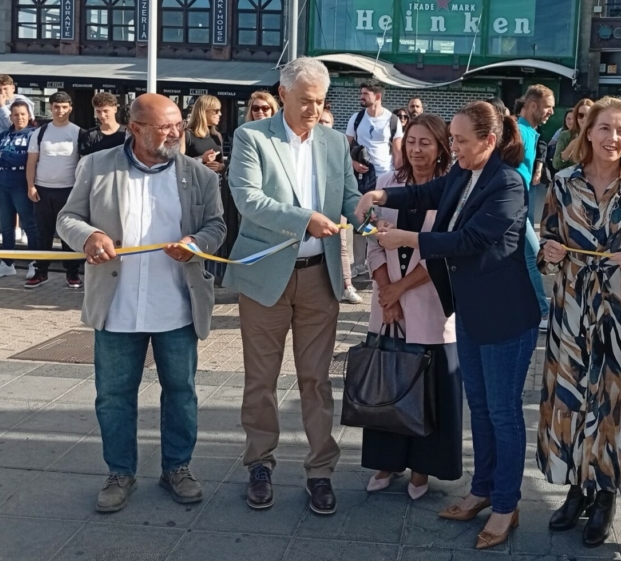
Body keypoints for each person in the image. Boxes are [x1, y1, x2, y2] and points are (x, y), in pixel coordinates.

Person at [356, 100, 540, 551]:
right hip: (470, 311)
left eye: (459, 140)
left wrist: (408, 238)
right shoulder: (464, 171)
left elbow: (470, 240)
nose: (452, 147)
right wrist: (381, 196)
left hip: (506, 316)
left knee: (503, 413)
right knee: (480, 407)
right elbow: (426, 194)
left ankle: (506, 504)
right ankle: (482, 490)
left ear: (489, 141)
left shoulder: (507, 183)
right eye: (452, 139)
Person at [57, 94, 226, 513]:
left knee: (181, 393)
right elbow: (67, 218)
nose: (174, 133)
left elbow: (217, 226)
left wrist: (196, 244)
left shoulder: (198, 175)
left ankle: (177, 468)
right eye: (164, 127)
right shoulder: (96, 166)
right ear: (135, 129)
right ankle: (120, 472)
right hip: (117, 306)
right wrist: (89, 237)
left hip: (177, 305)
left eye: (178, 125)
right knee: (113, 396)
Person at [226, 57, 361, 517]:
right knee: (261, 380)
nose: (313, 110)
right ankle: (259, 465)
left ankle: (320, 471)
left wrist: (374, 214)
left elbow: (350, 199)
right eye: (305, 100)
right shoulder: (252, 137)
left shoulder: (334, 142)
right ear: (283, 94)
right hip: (266, 277)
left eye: (320, 101)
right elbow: (249, 200)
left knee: (317, 381)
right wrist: (306, 219)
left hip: (319, 278)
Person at [538, 97, 621, 548]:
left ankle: (605, 494)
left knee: (613, 399)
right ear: (587, 132)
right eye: (605, 128)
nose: (613, 138)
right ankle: (575, 488)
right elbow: (547, 241)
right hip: (572, 305)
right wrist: (550, 253)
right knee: (570, 396)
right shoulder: (563, 182)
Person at [362, 113, 461, 500]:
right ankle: (387, 461)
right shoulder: (387, 184)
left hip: (430, 303)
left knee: (430, 388)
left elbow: (443, 250)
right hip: (387, 303)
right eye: (412, 141)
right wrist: (386, 292)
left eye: (426, 143)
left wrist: (401, 289)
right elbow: (371, 240)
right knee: (388, 381)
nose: (417, 150)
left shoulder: (451, 187)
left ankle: (423, 466)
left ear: (441, 147)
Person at [26, 91, 82, 290]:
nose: (60, 111)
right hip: (42, 190)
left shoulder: (78, 132)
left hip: (68, 190)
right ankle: (41, 271)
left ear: (70, 108)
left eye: (64, 107)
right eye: (57, 107)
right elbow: (31, 162)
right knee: (43, 233)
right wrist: (31, 186)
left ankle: (72, 273)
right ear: (51, 108)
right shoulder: (40, 132)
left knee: (69, 233)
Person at [517, 84, 555, 329]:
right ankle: (542, 312)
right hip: (515, 207)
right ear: (532, 105)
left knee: (525, 257)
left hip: (523, 204)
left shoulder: (530, 132)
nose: (551, 112)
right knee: (532, 256)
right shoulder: (518, 132)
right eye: (548, 107)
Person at [0, 100, 39, 279]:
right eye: (15, 114)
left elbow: (27, 159)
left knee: (29, 224)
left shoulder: (33, 134)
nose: (19, 117)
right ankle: (7, 263)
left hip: (22, 185)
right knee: (7, 226)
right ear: (11, 117)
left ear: (29, 115)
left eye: (23, 114)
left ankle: (35, 262)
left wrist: (6, 155)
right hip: (2, 185)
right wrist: (10, 157)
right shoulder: (3, 135)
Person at [318, 108, 362, 304]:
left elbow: (350, 194)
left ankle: (347, 285)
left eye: (326, 121)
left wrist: (373, 227)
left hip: (334, 210)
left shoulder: (339, 144)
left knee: (341, 244)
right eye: (320, 121)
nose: (322, 125)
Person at [347, 78, 404, 194]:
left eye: (366, 94)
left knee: (384, 206)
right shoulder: (356, 118)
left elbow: (398, 152)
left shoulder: (393, 120)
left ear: (378, 96)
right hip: (362, 177)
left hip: (386, 175)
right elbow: (345, 147)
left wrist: (400, 178)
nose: (361, 97)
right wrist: (353, 163)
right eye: (361, 93)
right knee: (363, 205)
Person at [184, 95, 225, 178]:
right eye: (216, 111)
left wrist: (220, 167)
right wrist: (201, 159)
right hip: (193, 182)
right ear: (204, 112)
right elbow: (178, 163)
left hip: (214, 182)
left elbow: (222, 163)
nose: (220, 114)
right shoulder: (187, 134)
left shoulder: (217, 136)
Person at [0, 74, 33, 142]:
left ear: (13, 88)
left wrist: (2, 106)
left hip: (16, 141)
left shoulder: (22, 102)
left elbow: (12, 125)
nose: (3, 92)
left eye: (5, 89)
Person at [79, 93, 126, 157]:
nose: (102, 115)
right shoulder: (90, 136)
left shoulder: (127, 133)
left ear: (115, 109)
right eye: (98, 111)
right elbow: (85, 160)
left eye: (106, 111)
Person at [552, 98, 593, 172]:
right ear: (576, 117)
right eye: (580, 115)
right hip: (572, 176)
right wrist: (572, 145)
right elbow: (556, 164)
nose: (584, 118)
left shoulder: (600, 135)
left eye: (588, 115)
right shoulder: (565, 135)